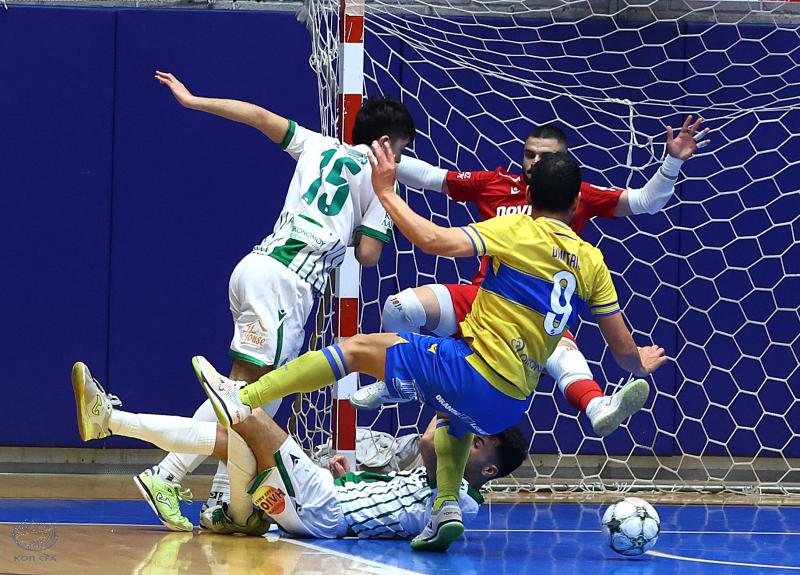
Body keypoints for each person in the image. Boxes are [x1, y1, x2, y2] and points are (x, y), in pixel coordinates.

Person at [191, 148, 668, 551]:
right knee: (457, 417)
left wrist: (383, 193)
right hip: (511, 404)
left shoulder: (519, 229)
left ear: (529, 193)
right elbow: (622, 347)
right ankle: (443, 507)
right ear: (577, 199)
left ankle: (244, 398)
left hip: (474, 372)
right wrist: (637, 363)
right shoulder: (591, 259)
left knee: (356, 349)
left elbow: (432, 240)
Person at [130, 71, 416, 531]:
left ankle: (224, 501)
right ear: (385, 144)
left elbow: (260, 116)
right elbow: (368, 255)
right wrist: (380, 199)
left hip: (254, 266)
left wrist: (194, 99)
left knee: (256, 398)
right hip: (287, 284)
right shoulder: (381, 181)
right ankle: (166, 474)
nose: (398, 161)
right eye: (399, 152)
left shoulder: (318, 144)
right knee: (244, 398)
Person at [375, 118, 708, 437]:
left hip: (539, 313)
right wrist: (376, 154)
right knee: (399, 306)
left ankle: (597, 405)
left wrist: (672, 163)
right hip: (483, 298)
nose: (534, 162)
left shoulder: (575, 193)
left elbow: (646, 201)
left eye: (545, 157)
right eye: (529, 154)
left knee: (561, 353)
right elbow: (432, 177)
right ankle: (399, 378)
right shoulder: (497, 184)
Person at [70, 362, 528, 539]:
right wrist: (349, 476)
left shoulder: (458, 502)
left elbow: (431, 451)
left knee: (248, 416)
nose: (458, 433)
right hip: (313, 503)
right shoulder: (436, 483)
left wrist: (457, 404)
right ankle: (108, 420)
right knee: (233, 444)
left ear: (487, 470)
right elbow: (392, 494)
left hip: (324, 511)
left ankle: (237, 396)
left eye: (476, 439)